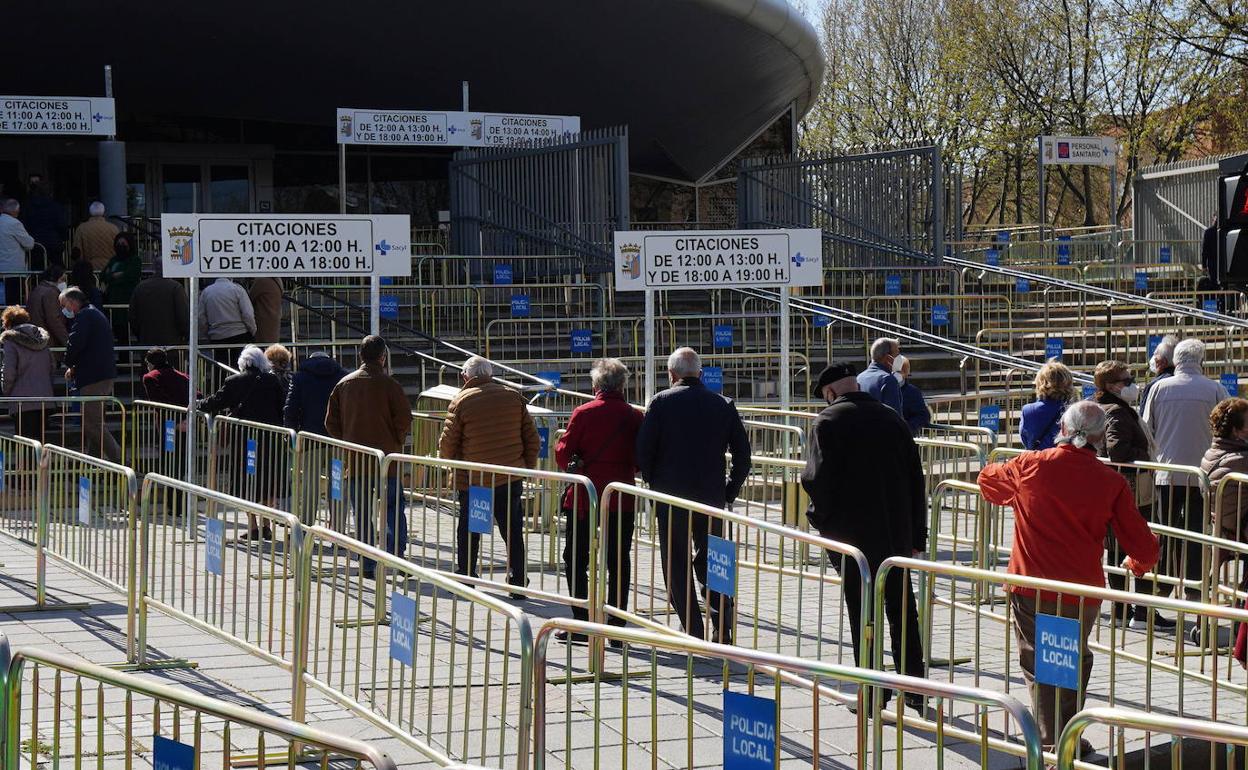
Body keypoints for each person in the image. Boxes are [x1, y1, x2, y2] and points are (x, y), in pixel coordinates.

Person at [977, 401, 1160, 751]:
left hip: (1032, 583)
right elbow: (1143, 544)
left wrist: (1017, 495)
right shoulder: (1110, 481)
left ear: (1062, 429)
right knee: (1067, 660)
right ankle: (1065, 737)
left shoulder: (1030, 464)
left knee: (1043, 663)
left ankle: (1052, 744)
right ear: (1100, 438)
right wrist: (1138, 564)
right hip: (1080, 589)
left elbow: (987, 480)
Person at [801, 362, 926, 712]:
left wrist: (820, 521)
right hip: (895, 534)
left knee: (863, 614)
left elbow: (816, 481)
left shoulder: (827, 422)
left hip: (852, 538)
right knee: (903, 610)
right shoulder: (893, 419)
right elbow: (916, 480)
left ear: (830, 392)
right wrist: (917, 535)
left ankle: (872, 691)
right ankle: (915, 687)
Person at [636, 347, 751, 643]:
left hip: (671, 496)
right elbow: (743, 456)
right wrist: (729, 491)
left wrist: (653, 482)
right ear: (700, 373)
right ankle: (722, 627)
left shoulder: (660, 402)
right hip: (711, 496)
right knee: (716, 560)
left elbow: (643, 452)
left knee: (676, 561)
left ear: (671, 374)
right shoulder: (723, 404)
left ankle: (691, 627)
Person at [554, 358, 644, 640]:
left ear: (596, 385)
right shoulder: (634, 416)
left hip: (585, 496)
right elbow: (639, 459)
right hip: (620, 496)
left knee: (576, 557)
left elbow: (563, 454)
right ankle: (616, 625)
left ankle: (582, 623)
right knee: (618, 559)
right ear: (622, 385)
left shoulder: (583, 413)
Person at [438, 355, 540, 594]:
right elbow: (532, 439)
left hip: (475, 481)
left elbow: (447, 445)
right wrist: (524, 467)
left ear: (465, 376)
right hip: (509, 476)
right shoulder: (513, 397)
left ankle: (466, 576)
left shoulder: (461, 401)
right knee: (512, 530)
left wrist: (449, 461)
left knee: (470, 529)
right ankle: (517, 580)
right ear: (490, 374)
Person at [1143, 338, 1228, 599]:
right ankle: (1193, 586)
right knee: (1197, 533)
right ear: (1201, 360)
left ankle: (1162, 584)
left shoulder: (1159, 388)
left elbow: (1147, 428)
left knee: (1165, 530)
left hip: (1166, 472)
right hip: (1203, 474)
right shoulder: (1215, 389)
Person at [326, 335, 411, 576]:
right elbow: (404, 418)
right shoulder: (390, 385)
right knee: (393, 509)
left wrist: (348, 440)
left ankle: (367, 563)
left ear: (360, 356)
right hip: (387, 461)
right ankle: (397, 558)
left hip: (357, 461)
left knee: (362, 513)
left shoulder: (344, 385)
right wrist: (395, 440)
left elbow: (330, 422)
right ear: (383, 358)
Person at [1094, 360, 1165, 628]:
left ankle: (1123, 611)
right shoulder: (1116, 412)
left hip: (1118, 490)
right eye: (1126, 380)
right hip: (1133, 490)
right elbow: (1117, 451)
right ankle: (1140, 612)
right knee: (1139, 546)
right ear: (1111, 386)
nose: (1132, 385)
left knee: (1118, 549)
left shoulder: (1110, 408)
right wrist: (1144, 455)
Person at [198, 345, 286, 538]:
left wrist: (198, 403)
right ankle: (266, 524)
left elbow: (216, 401)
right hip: (270, 439)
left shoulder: (234, 381)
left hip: (244, 440)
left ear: (243, 362)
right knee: (267, 480)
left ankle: (253, 526)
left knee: (245, 481)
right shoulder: (272, 380)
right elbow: (282, 407)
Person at [60, 287, 121, 463]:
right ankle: (93, 462)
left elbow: (76, 343)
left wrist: (69, 362)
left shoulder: (84, 316)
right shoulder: (93, 313)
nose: (63, 310)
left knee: (92, 424)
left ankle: (121, 462)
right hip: (100, 374)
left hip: (94, 377)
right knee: (94, 422)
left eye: (64, 305)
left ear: (72, 302)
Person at [1, 306, 54, 441]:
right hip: (44, 398)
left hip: (22, 400)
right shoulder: (41, 338)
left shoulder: (10, 341)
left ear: (8, 323)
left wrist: (6, 391)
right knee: (40, 442)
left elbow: (9, 372)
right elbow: (51, 366)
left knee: (24, 443)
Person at [1201, 398, 1248, 543]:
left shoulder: (1210, 455)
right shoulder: (1241, 459)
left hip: (1223, 532)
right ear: (1236, 431)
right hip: (1240, 534)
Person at [128, 260, 190, 346]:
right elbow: (183, 316)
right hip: (172, 342)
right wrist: (186, 335)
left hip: (146, 340)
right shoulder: (175, 287)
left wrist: (140, 334)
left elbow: (132, 316)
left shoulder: (140, 287)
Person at [198, 278, 256, 365]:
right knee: (241, 367)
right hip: (239, 336)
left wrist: (206, 334)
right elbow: (248, 314)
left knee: (221, 368)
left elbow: (201, 318)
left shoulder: (206, 292)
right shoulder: (237, 290)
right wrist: (252, 330)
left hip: (217, 337)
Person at [1020, 360, 1075, 450]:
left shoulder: (1028, 410)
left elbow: (1026, 440)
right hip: (1066, 457)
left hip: (1039, 457)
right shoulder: (1076, 411)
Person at [100, 232, 142, 344]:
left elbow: (130, 275)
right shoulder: (113, 260)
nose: (121, 246)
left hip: (128, 299)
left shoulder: (135, 260)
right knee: (119, 333)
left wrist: (113, 276)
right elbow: (103, 275)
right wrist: (115, 275)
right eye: (118, 243)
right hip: (114, 302)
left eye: (123, 243)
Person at [21, 177, 64, 266]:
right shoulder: (56, 207)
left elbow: (24, 224)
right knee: (56, 269)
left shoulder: (28, 206)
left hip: (35, 243)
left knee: (37, 269)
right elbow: (61, 225)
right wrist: (63, 237)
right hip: (53, 242)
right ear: (50, 192)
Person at [25, 263, 68, 347]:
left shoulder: (37, 289)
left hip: (37, 338)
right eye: (63, 279)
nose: (64, 283)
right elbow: (54, 320)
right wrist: (67, 341)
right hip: (48, 341)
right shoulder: (51, 293)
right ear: (56, 278)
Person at [857, 337, 903, 414]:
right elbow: (894, 417)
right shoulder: (887, 380)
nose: (900, 358)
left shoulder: (859, 378)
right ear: (888, 357)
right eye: (897, 354)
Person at [0, 200, 34, 301]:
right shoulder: (14, 223)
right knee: (13, 302)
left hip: (2, 269)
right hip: (13, 271)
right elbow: (29, 244)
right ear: (16, 211)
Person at [72, 201, 120, 272]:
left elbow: (77, 251)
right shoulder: (114, 228)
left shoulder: (81, 228)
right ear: (103, 212)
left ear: (90, 212)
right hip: (109, 267)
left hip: (89, 268)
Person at [893, 354, 930, 436]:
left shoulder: (912, 392)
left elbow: (923, 416)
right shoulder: (882, 385)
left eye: (900, 371)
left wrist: (906, 428)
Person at [1139, 334, 1178, 413]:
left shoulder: (1153, 386)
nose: (1154, 360)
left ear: (1163, 362)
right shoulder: (1188, 382)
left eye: (1155, 356)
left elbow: (1144, 415)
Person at [249, 278, 284, 345]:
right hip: (274, 318)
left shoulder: (261, 281)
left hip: (262, 320)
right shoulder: (277, 281)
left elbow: (250, 298)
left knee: (262, 344)